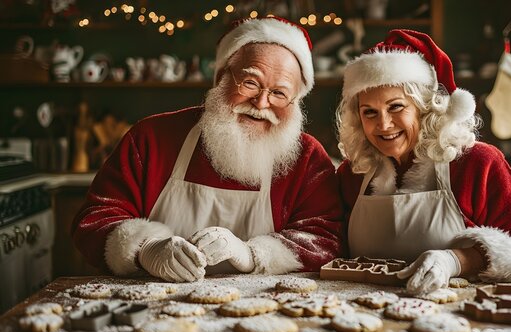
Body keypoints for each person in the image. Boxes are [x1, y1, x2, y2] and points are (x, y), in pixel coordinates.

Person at [72, 17, 343, 282]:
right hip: (155, 311)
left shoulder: (308, 159)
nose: (261, 103)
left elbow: (324, 239)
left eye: (279, 93)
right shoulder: (151, 139)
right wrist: (144, 249)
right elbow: (94, 219)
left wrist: (252, 254)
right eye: (250, 83)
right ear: (221, 78)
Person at [336, 29, 511, 295]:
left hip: (458, 315)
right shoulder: (352, 173)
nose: (384, 124)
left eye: (396, 107)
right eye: (369, 112)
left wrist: (454, 261)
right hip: (362, 315)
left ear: (425, 107)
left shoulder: (476, 163)